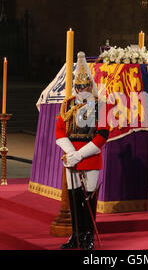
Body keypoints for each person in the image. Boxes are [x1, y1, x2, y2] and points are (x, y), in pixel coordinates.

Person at [55, 52, 109, 250]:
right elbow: (60, 130)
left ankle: (88, 237)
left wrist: (80, 154)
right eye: (77, 86)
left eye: (84, 86)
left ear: (90, 85)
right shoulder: (68, 105)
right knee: (74, 198)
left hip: (90, 157)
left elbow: (103, 134)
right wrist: (71, 153)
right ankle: (75, 234)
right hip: (71, 158)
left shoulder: (100, 105)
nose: (80, 89)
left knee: (88, 199)